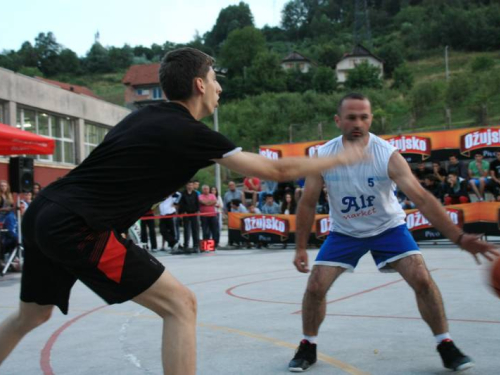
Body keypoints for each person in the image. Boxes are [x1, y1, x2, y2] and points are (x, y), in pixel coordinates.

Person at [0, 48, 366, 375]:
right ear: (199, 85)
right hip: (76, 226)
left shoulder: (139, 118)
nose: (219, 87)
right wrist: (341, 156)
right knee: (180, 305)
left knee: (32, 314)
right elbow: (276, 171)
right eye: (214, 79)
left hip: (43, 213)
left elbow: (108, 177)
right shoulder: (189, 132)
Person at [288, 93, 499, 373]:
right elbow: (308, 202)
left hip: (388, 227)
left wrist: (459, 238)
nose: (358, 123)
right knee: (315, 287)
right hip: (345, 232)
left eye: (364, 117)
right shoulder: (323, 156)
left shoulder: (386, 154)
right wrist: (300, 247)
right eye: (351, 117)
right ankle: (308, 346)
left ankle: (445, 344)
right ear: (338, 121)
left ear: (371, 119)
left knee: (422, 279)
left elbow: (422, 198)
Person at [178, 181, 200, 253]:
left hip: (194, 213)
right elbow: (181, 204)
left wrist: (197, 211)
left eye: (191, 185)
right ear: (186, 186)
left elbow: (197, 203)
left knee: (195, 229)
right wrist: (182, 212)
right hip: (186, 214)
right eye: (188, 185)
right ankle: (186, 245)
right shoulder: (183, 194)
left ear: (193, 186)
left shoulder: (195, 194)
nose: (190, 186)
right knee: (186, 230)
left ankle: (196, 244)